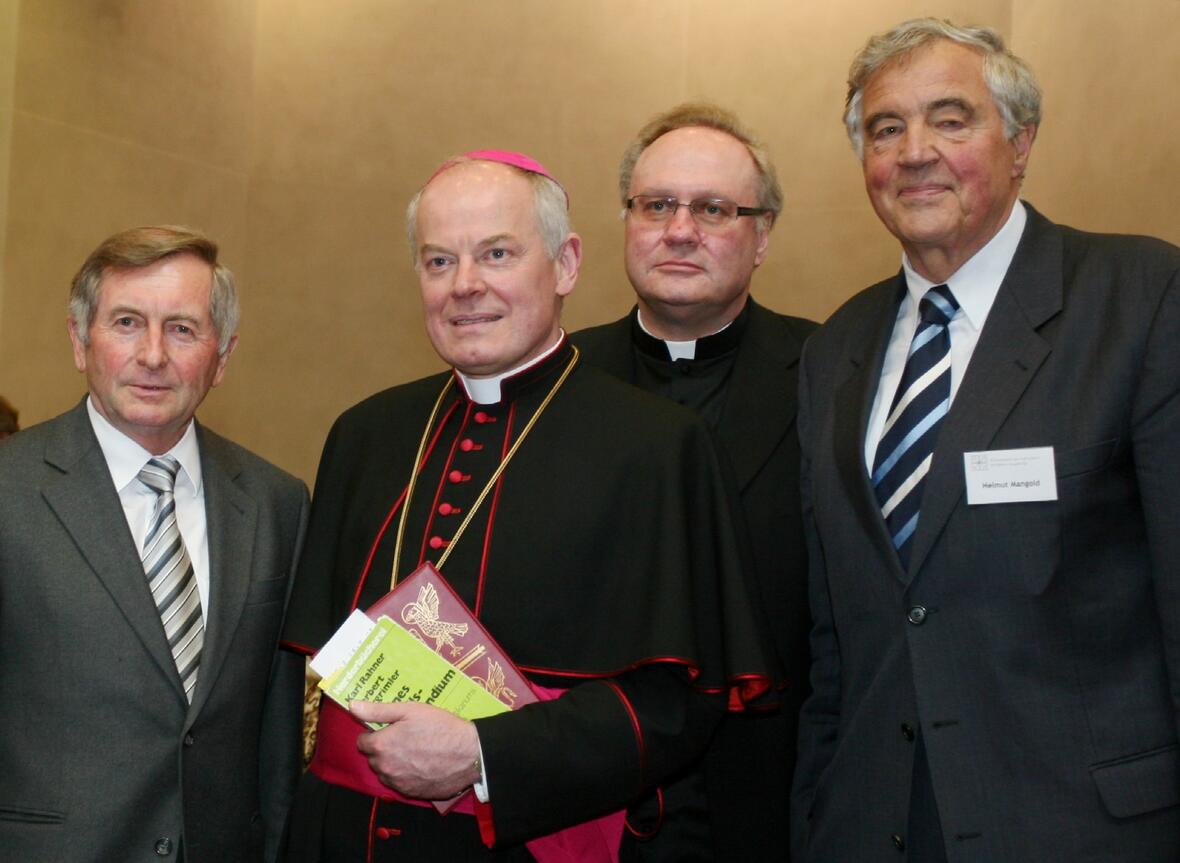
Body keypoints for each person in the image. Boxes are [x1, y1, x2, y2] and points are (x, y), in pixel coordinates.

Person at [280, 150, 769, 862]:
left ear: (566, 264)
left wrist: (484, 752)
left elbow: (675, 707)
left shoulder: (659, 447)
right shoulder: (365, 434)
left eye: (497, 253)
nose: (465, 286)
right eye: (439, 261)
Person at [791, 17, 1180, 862]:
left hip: (1081, 829)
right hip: (873, 828)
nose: (914, 151)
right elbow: (836, 638)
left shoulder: (1141, 298)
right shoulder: (834, 351)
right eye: (886, 128)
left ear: (1021, 142)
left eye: (951, 119)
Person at [0, 226, 309, 862]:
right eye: (126, 323)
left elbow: (277, 730)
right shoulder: (10, 489)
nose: (152, 355)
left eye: (182, 329)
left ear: (221, 358)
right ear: (80, 342)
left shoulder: (278, 503)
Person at [573, 103, 816, 859]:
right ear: (627, 221)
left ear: (762, 235)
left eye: (713, 208)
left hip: (772, 798)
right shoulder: (557, 379)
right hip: (583, 797)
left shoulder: (830, 371)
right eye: (657, 205)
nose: (680, 230)